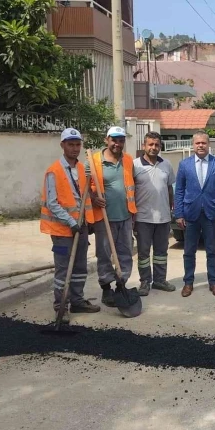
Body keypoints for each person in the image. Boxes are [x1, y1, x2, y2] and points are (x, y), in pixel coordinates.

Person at [40, 128, 100, 323]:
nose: (75, 148)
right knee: (63, 270)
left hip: (80, 227)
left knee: (80, 267)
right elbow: (52, 203)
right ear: (62, 145)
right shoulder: (53, 171)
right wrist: (71, 222)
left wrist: (87, 221)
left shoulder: (83, 169)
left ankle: (77, 300)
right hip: (61, 230)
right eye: (70, 144)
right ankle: (61, 305)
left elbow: (83, 197)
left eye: (77, 144)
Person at [88, 126, 137, 308]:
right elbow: (83, 187)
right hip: (104, 218)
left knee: (125, 253)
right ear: (106, 140)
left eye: (121, 140)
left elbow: (133, 184)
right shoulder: (93, 161)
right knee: (104, 254)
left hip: (125, 216)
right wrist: (93, 198)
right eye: (114, 140)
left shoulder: (128, 160)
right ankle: (106, 287)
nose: (118, 143)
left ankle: (121, 284)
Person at [174, 132, 215, 297]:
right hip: (191, 214)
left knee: (212, 250)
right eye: (197, 143)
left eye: (203, 143)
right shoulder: (184, 165)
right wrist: (179, 214)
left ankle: (214, 282)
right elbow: (179, 191)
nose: (200, 146)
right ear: (193, 144)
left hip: (211, 214)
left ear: (208, 144)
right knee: (189, 251)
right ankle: (188, 282)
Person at [132, 131, 177, 296]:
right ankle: (145, 282)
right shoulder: (135, 165)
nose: (154, 147)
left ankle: (159, 280)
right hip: (143, 217)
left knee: (161, 252)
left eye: (157, 145)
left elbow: (169, 189)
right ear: (144, 146)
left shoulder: (166, 164)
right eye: (150, 144)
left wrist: (172, 209)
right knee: (143, 253)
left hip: (163, 218)